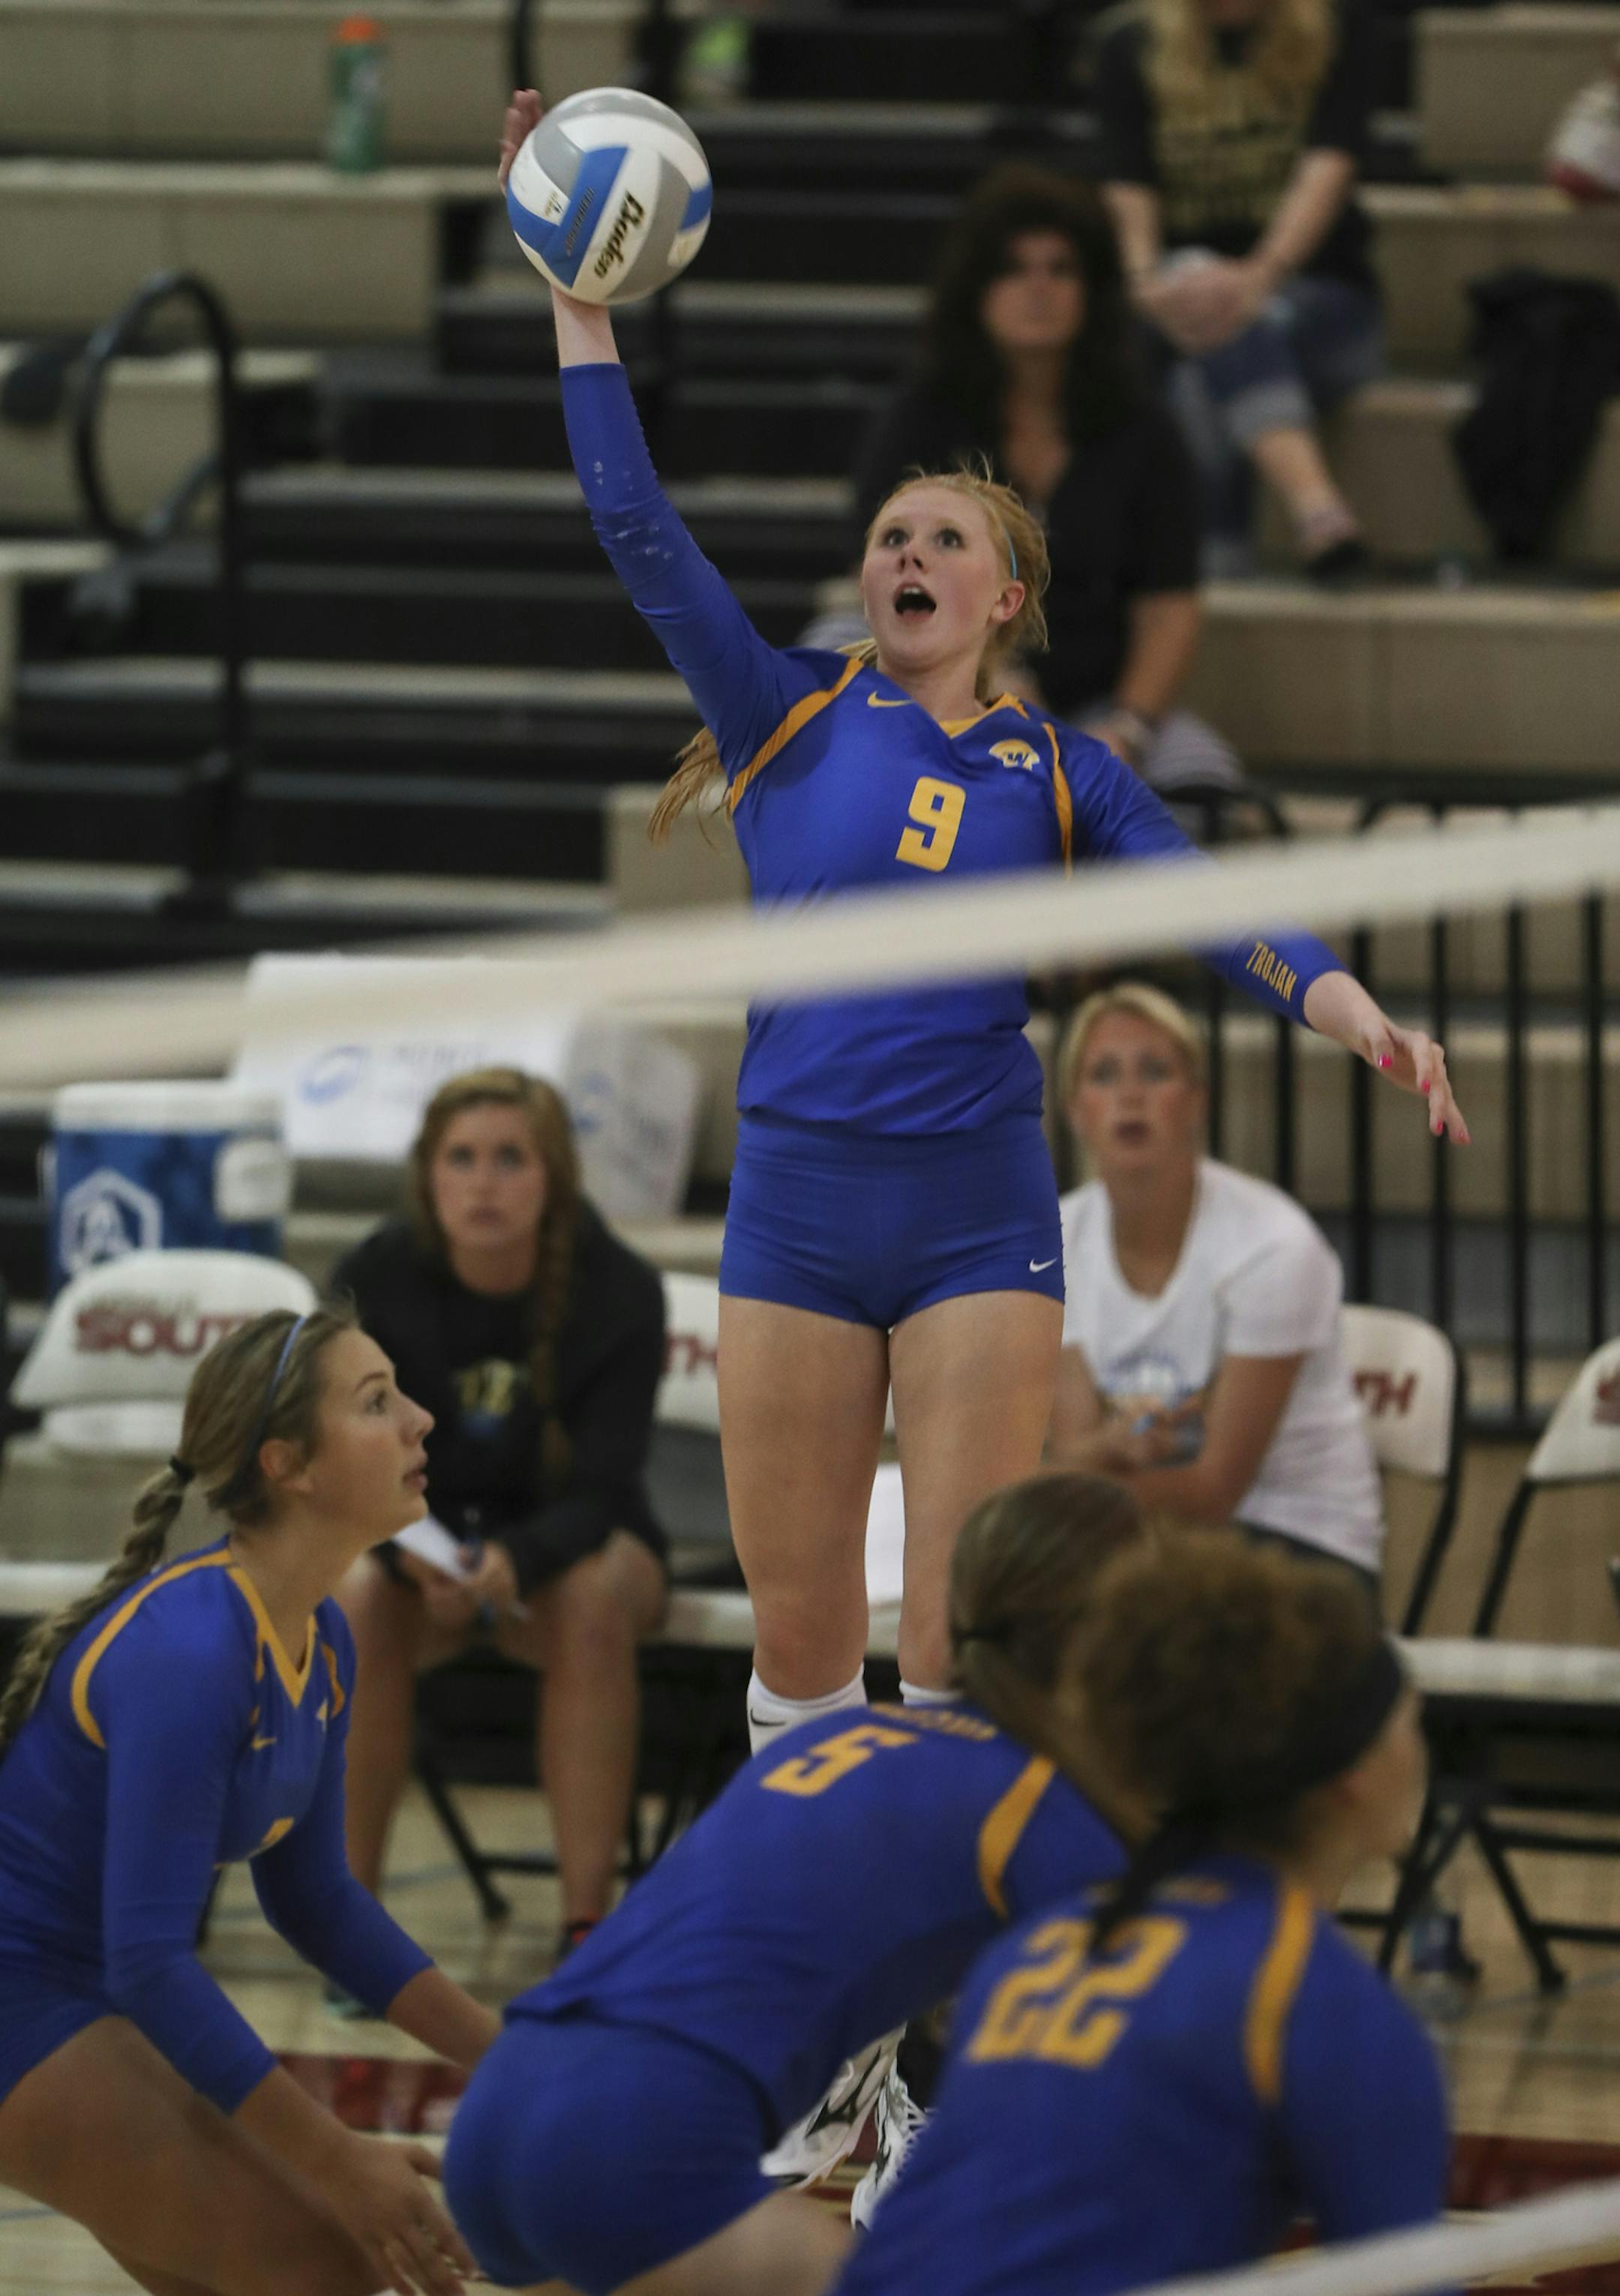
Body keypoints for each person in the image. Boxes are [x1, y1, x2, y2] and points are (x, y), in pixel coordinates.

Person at [497, 86, 1460, 1772]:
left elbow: (1224, 908)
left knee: (949, 1645)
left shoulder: (1062, 771)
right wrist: (577, 294)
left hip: (972, 1214)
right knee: (800, 1656)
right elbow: (638, 534)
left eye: (944, 537)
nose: (907, 552)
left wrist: (1359, 1013)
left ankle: (932, 2011)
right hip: (794, 1203)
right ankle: (836, 2036)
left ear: (1005, 598)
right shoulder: (782, 710)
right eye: (889, 539)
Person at [442, 1472, 1145, 2296]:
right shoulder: (1041, 1806)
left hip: (502, 2105)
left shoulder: (851, 1736)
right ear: (1124, 1637)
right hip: (637, 2140)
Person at [0, 1305, 496, 2296]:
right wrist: (336, 2157)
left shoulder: (321, 1635)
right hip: (28, 2005)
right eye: (377, 1400)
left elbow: (315, 1899)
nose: (422, 1419)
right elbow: (148, 1960)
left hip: (94, 2004)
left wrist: (512, 2054)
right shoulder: (193, 1650)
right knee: (335, 2260)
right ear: (289, 1464)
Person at [832, 1530, 1448, 2293]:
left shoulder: (1039, 1948)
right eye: (1411, 1722)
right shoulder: (1321, 2005)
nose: (1424, 1751)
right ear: (1351, 1771)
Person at [332, 1067, 668, 1962]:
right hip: (415, 1537)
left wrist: (514, 1558)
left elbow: (604, 1484)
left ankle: (585, 1923)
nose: (483, 1182)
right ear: (427, 1174)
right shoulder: (374, 1276)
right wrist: (416, 1559)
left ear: (553, 1174)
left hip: (577, 1543)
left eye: (510, 1158)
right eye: (463, 1158)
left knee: (593, 1597)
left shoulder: (621, 1289)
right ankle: (347, 1917)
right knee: (359, 1596)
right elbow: (346, 1457)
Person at [848, 163, 1233, 794]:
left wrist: (1127, 729)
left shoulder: (1143, 432)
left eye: (1061, 269)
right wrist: (981, 683)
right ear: (976, 291)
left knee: (1202, 787)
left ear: (1094, 293)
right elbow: (878, 576)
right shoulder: (923, 420)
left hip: (1096, 704)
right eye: (1014, 269)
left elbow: (1170, 604)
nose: (1039, 288)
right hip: (937, 680)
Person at [1047, 982, 1384, 1595]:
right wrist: (1104, 1448)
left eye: (1155, 1071)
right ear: (1074, 1110)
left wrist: (1049, 1500)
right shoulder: (1054, 1240)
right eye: (1103, 1074)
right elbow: (1075, 1452)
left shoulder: (1274, 1244)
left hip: (1302, 1553)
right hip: (1147, 1548)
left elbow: (1212, 1491)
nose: (1129, 1094)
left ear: (1197, 1099)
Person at [1096, 0, 1383, 574]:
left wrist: (1261, 274)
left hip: (1325, 301)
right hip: (1185, 301)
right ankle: (1315, 511)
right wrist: (1146, 283)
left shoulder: (1339, 29)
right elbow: (1127, 180)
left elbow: (1328, 169)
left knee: (1224, 330)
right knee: (1203, 330)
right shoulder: (1129, 43)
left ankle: (1217, 566)